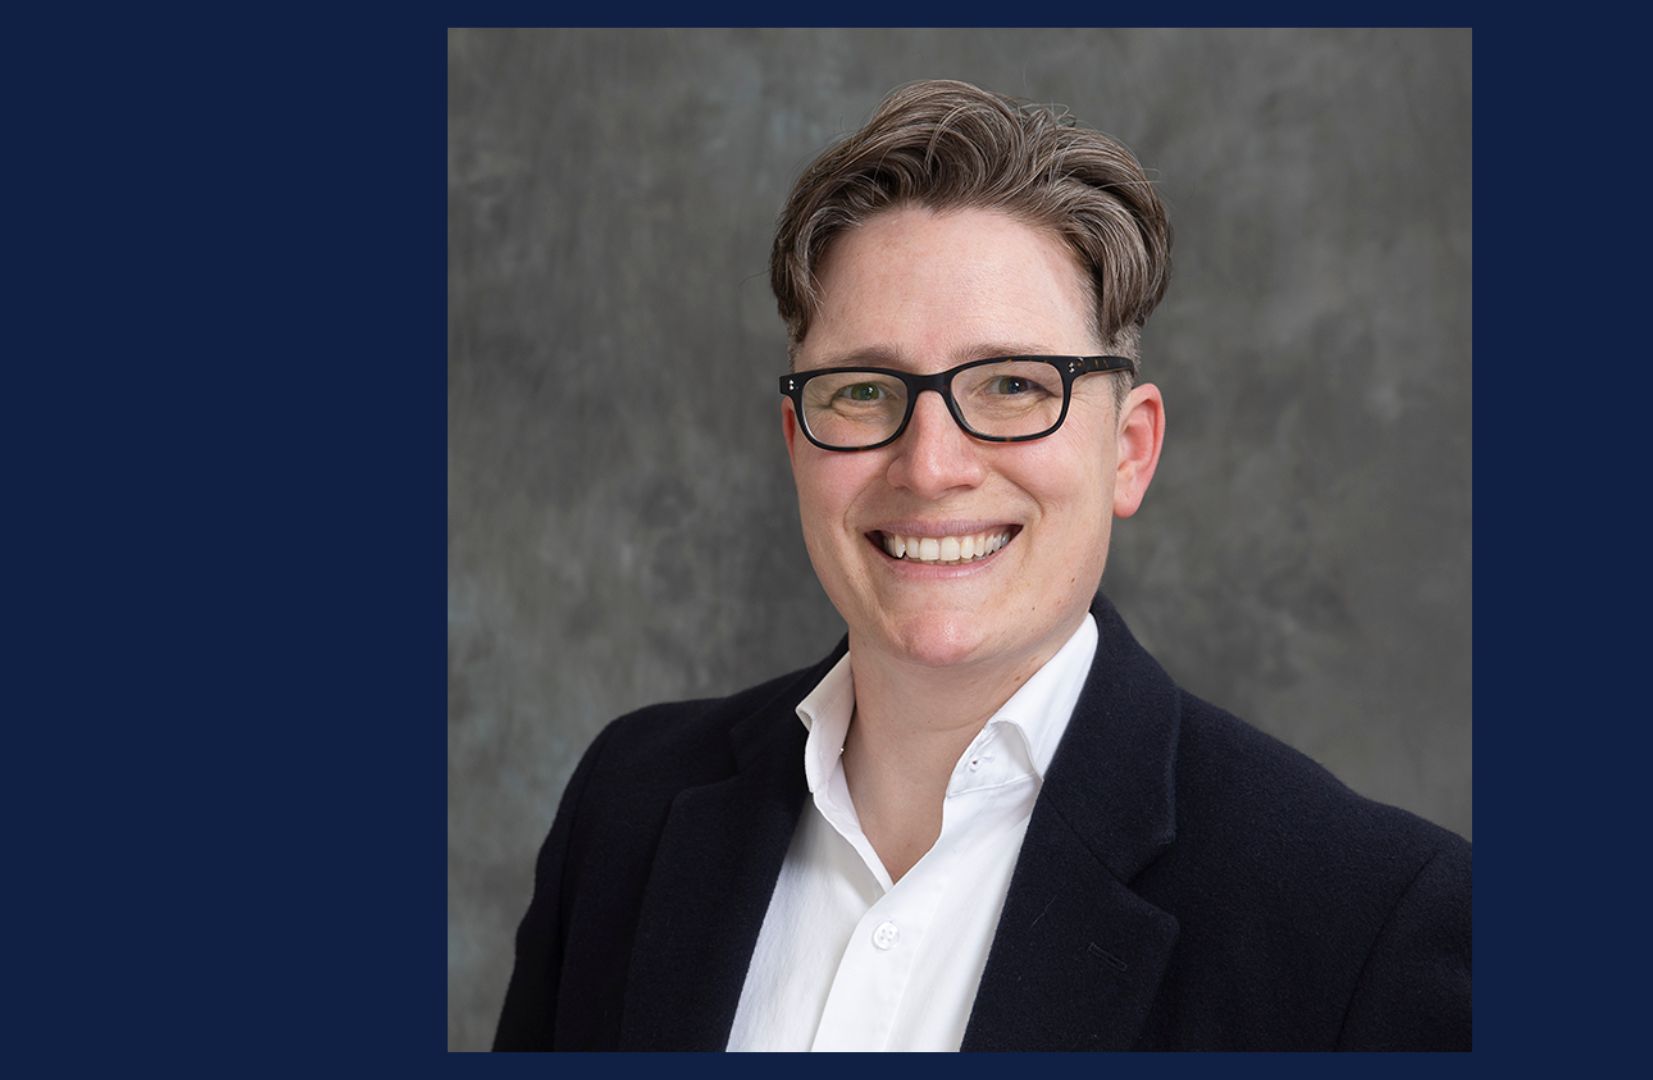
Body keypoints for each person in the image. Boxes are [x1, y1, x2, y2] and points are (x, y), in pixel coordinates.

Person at [493, 79, 1470, 1052]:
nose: (931, 466)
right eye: (866, 390)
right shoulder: (629, 808)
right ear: (797, 441)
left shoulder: (1364, 922)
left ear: (1129, 450)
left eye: (1011, 384)